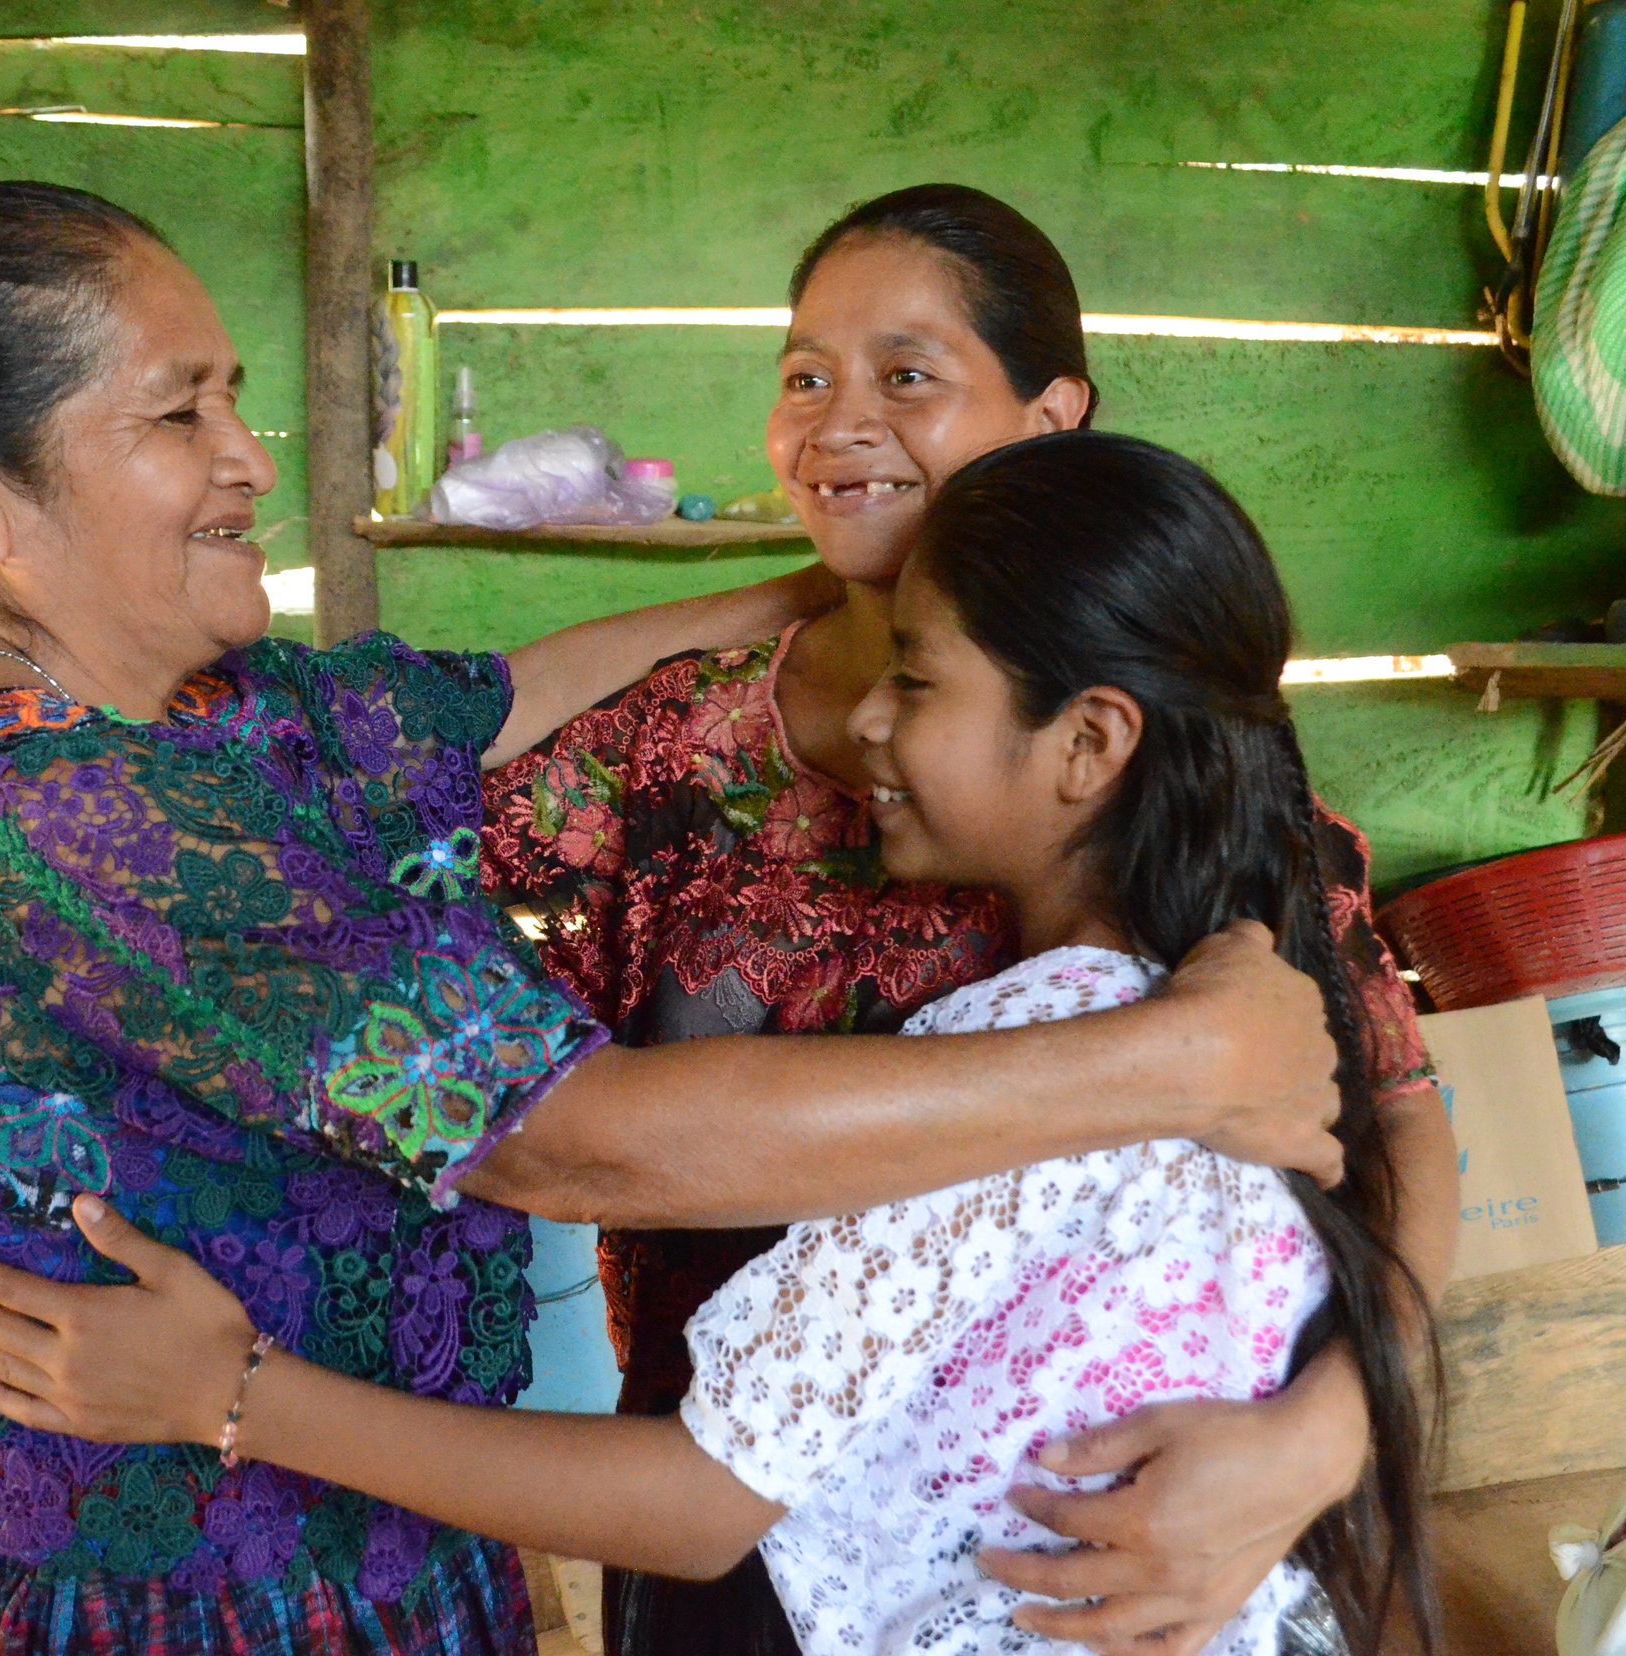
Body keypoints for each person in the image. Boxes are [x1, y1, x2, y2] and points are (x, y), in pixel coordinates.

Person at [0, 180, 1346, 1655]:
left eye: (911, 376)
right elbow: (558, 1136)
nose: (253, 458)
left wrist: (1313, 1444)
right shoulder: (81, 811)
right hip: (233, 1591)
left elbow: (489, 698)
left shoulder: (227, 720)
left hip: (580, 1548)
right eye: (181, 409)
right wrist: (1175, 1064)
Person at [471, 184, 1459, 1654]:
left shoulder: (1165, 762)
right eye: (804, 378)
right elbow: (422, 789)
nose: (839, 422)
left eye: (909, 377)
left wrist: (1321, 1441)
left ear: (1058, 417)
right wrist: (775, 597)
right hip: (723, 1537)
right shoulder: (662, 748)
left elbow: (1394, 1134)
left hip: (1062, 1562)